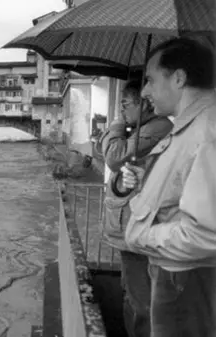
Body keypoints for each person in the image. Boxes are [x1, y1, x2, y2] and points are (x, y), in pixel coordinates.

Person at [118, 37, 216, 337]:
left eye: (149, 79)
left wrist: (141, 235)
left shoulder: (207, 131)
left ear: (179, 77)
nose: (144, 91)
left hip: (185, 279)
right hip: (175, 273)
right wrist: (141, 178)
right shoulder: (188, 127)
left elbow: (206, 233)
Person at [97, 79, 173, 337]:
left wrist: (117, 126)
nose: (122, 111)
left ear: (144, 105)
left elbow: (114, 157)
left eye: (125, 104)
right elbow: (104, 148)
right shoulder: (142, 128)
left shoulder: (158, 128)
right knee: (132, 294)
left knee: (140, 301)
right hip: (130, 227)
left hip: (138, 227)